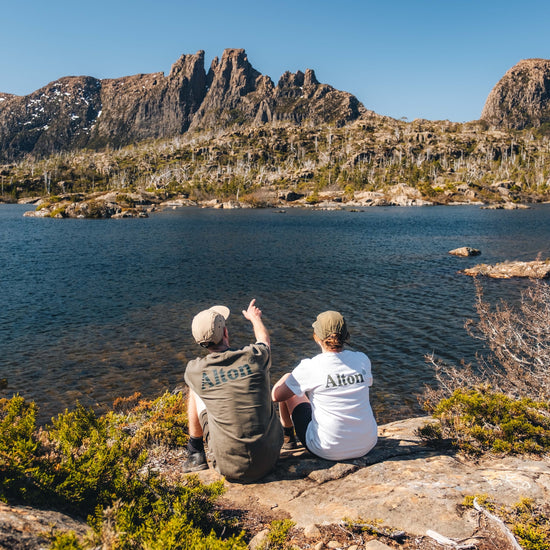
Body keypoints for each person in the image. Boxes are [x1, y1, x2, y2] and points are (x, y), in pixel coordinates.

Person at [183, 299, 283, 482]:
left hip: (228, 467)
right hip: (271, 458)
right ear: (226, 332)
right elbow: (264, 341)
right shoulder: (254, 356)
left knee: (195, 390)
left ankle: (195, 453)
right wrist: (254, 318)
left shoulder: (195, 371)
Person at [272, 310, 377, 461]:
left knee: (289, 383)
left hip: (326, 448)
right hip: (367, 444)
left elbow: (276, 396)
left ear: (317, 337)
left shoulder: (311, 366)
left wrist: (283, 379)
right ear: (346, 336)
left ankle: (288, 438)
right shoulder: (362, 360)